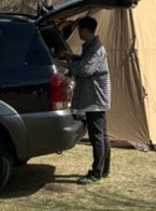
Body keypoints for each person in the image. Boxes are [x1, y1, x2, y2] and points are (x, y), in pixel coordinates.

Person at [60, 15, 111, 184]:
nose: (78, 33)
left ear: (85, 30)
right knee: (102, 135)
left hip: (95, 98)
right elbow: (81, 61)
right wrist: (69, 56)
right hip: (94, 98)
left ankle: (96, 172)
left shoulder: (96, 48)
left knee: (97, 136)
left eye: (79, 30)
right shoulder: (90, 47)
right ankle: (103, 169)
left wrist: (66, 65)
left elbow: (84, 69)